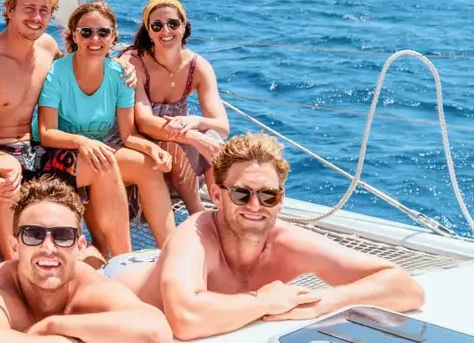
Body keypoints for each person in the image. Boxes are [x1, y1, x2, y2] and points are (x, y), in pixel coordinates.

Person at [108, 132, 425, 341]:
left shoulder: (287, 242)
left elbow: (405, 288)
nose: (256, 206)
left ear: (281, 199)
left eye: (268, 196)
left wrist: (324, 302)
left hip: (178, 274)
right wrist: (264, 300)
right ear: (217, 195)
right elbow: (185, 319)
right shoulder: (194, 234)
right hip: (120, 277)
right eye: (242, 194)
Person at [0, 0, 139, 261]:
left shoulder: (48, 48)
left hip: (33, 151)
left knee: (102, 160)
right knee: (9, 170)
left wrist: (123, 66)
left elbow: (84, 62)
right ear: (9, 10)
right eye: (29, 8)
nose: (37, 17)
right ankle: (15, 265)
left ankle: (125, 260)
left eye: (44, 10)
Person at [0, 175, 172, 343]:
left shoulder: (87, 285)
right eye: (33, 234)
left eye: (63, 236)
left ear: (80, 247)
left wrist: (51, 325)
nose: (48, 247)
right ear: (14, 246)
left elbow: (156, 330)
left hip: (20, 274)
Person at [35, 0, 175, 252]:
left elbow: (128, 135)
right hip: (53, 154)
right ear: (74, 36)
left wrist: (151, 149)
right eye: (86, 32)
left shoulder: (120, 75)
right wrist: (82, 142)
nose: (94, 39)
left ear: (113, 38)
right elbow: (46, 134)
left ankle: (171, 250)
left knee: (148, 167)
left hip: (96, 153)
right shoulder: (57, 73)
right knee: (104, 162)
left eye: (103, 32)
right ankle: (122, 256)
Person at [120, 0, 230, 216]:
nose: (165, 31)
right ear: (149, 32)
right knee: (180, 146)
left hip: (183, 159)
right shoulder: (134, 63)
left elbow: (222, 127)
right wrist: (193, 136)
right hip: (140, 145)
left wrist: (195, 121)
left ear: (184, 27)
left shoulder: (198, 66)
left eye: (172, 24)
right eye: (157, 26)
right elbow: (143, 122)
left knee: (214, 138)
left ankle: (223, 207)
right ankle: (197, 214)